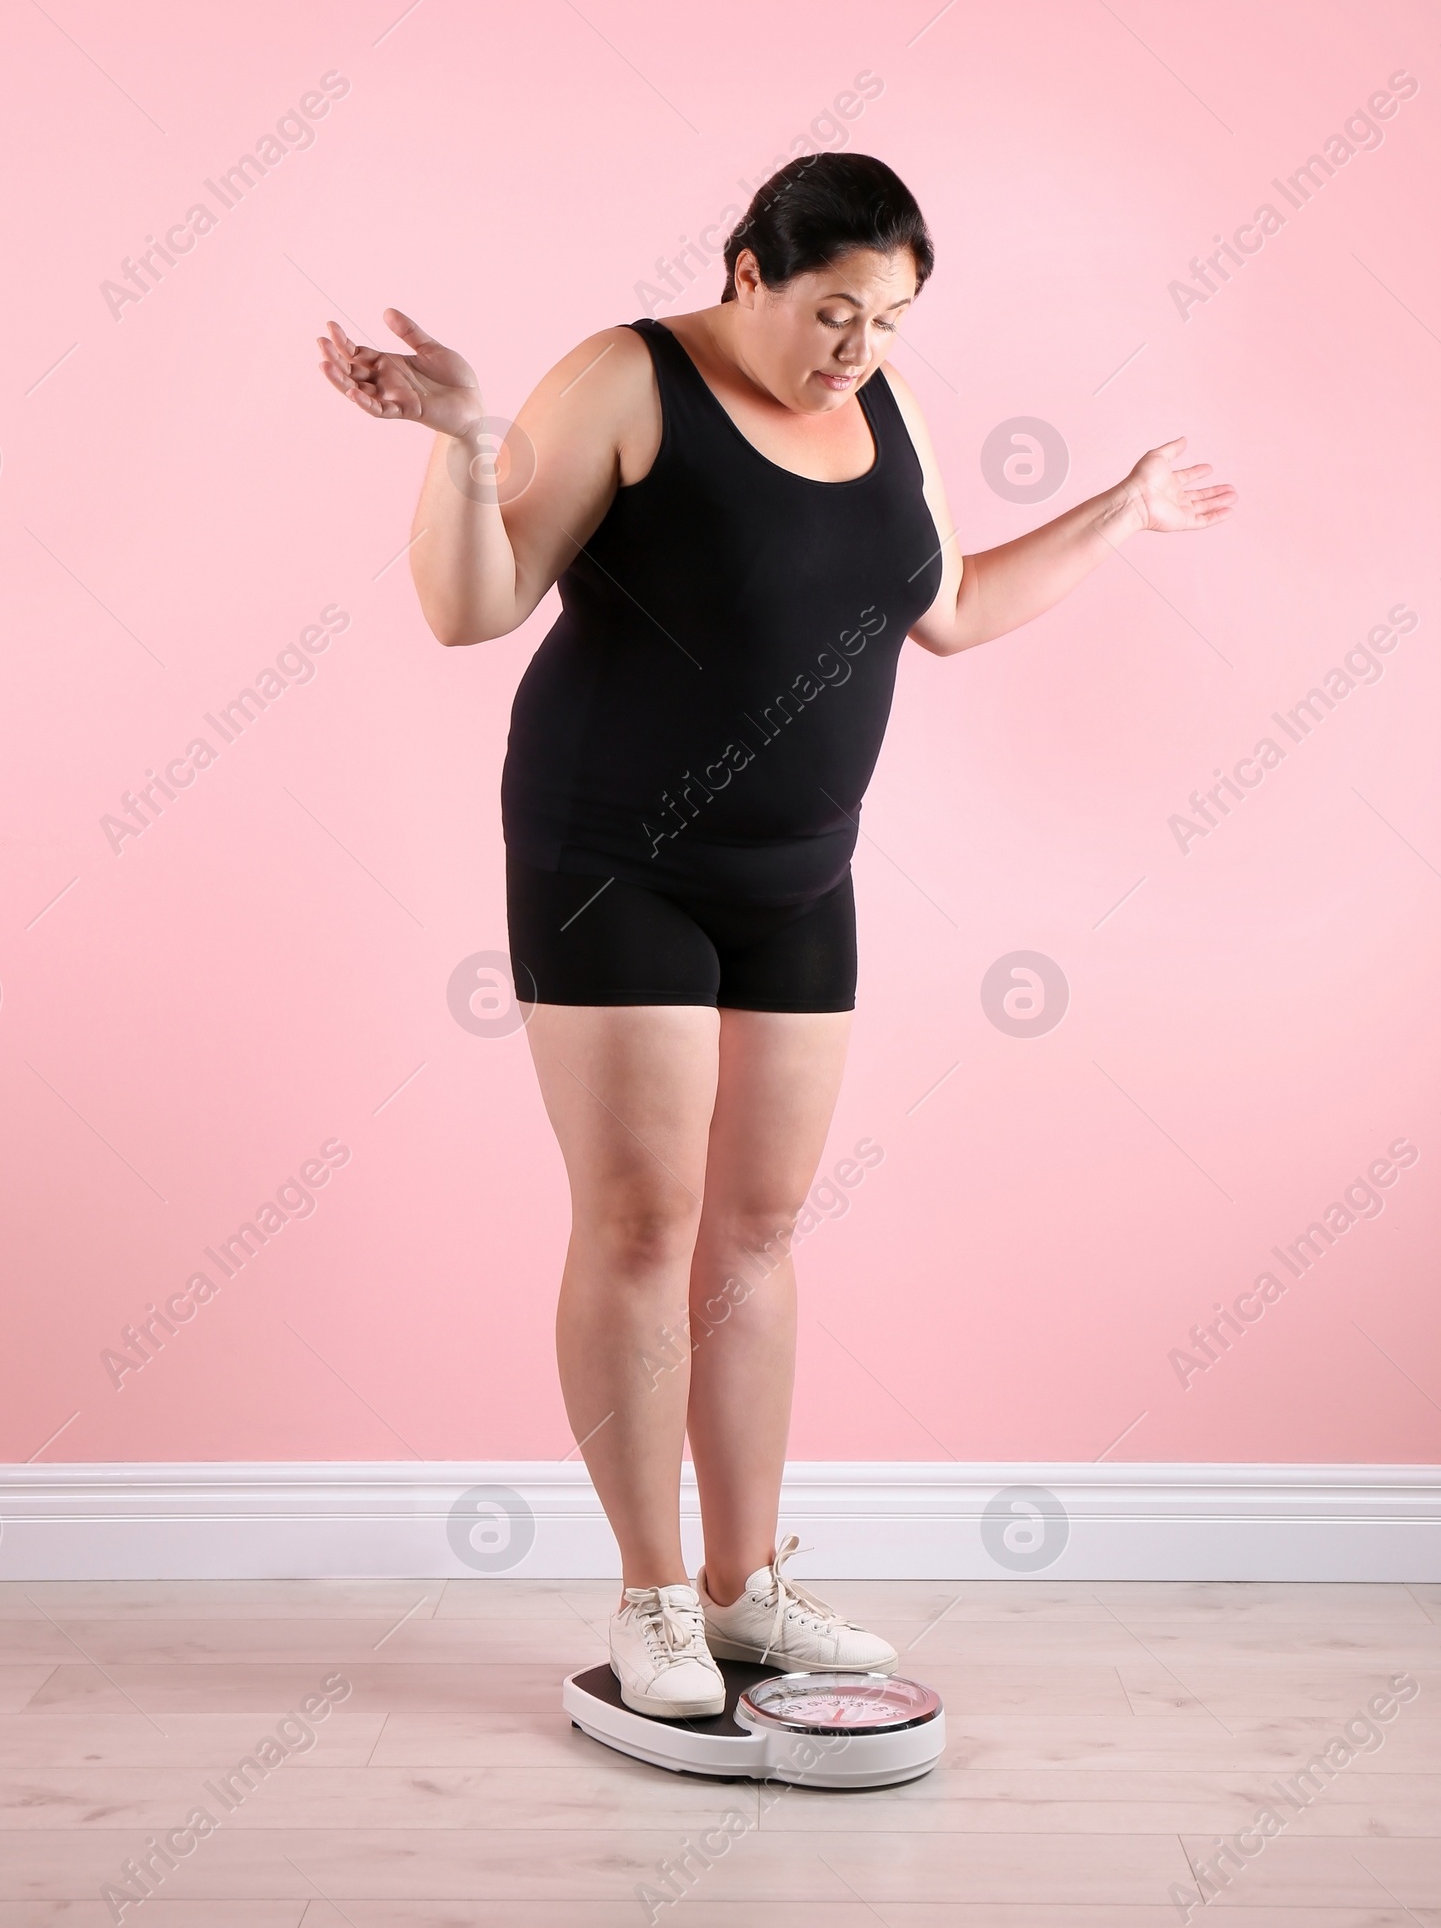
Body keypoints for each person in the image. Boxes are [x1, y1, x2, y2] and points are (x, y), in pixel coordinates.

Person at [316, 153, 1235, 1719]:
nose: (856, 348)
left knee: (757, 1235)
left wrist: (1123, 514)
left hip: (802, 874)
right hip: (617, 861)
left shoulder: (886, 409)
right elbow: (472, 609)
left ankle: (746, 1594)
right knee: (640, 1227)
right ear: (748, 269)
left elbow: (944, 606)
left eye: (887, 319)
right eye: (831, 311)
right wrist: (471, 445)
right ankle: (653, 1599)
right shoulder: (626, 375)